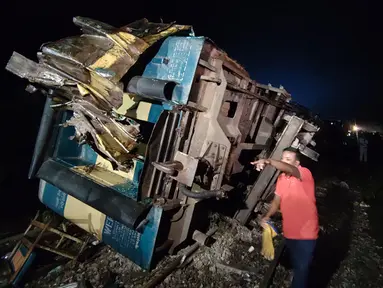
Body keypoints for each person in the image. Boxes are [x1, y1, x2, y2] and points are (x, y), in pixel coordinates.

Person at [251, 147, 318, 288]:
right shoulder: (281, 179)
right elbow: (276, 201)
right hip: (290, 231)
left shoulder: (304, 173)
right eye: (282, 158)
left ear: (297, 163)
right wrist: (266, 217)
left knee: (301, 269)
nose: (283, 162)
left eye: (288, 160)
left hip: (307, 232)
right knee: (295, 264)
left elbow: (288, 168)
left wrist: (268, 161)